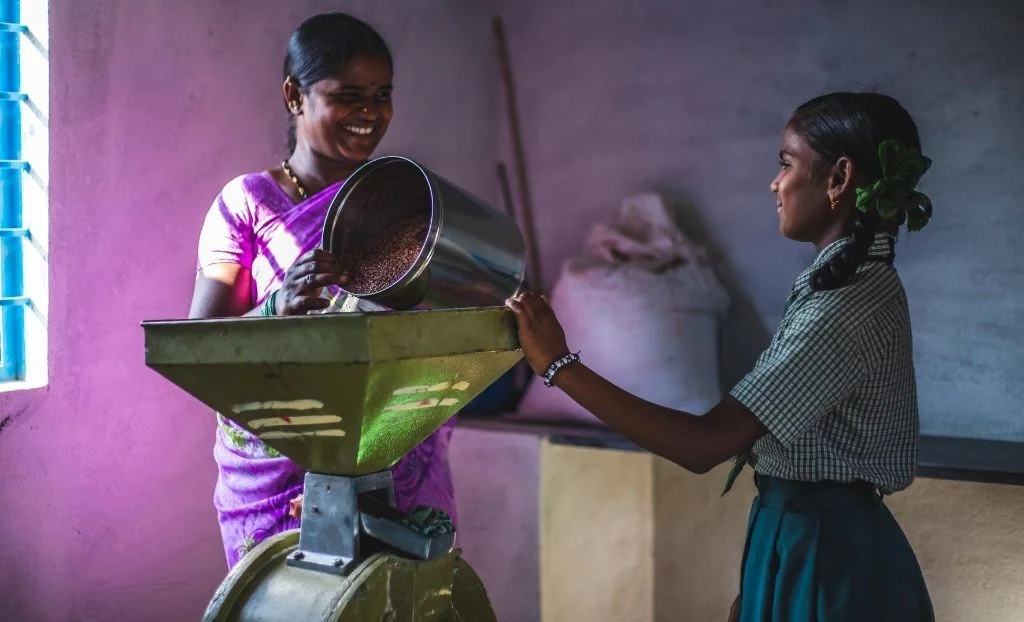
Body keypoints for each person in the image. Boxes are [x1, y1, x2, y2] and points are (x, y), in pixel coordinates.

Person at [507, 92, 936, 621]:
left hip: (826, 559)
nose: (775, 183)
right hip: (804, 541)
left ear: (839, 178)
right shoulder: (843, 286)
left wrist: (558, 367)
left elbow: (704, 444)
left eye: (786, 164)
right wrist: (761, 578)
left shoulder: (848, 304)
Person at [188, 12, 458, 569]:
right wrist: (276, 308)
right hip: (281, 475)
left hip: (395, 459)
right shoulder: (247, 205)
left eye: (382, 95)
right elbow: (198, 347)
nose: (370, 113)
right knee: (291, 600)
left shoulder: (406, 201)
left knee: (392, 599)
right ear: (295, 95)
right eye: (348, 96)